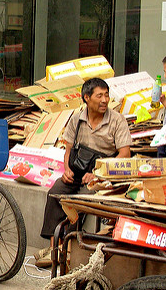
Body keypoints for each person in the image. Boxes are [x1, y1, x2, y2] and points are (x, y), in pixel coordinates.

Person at [35, 77, 132, 267]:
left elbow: (125, 154)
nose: (104, 100)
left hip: (103, 176)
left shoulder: (116, 120)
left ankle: (68, 249)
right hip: (78, 170)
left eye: (106, 95)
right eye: (99, 96)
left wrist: (99, 174)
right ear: (87, 98)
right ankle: (54, 247)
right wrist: (67, 169)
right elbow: (68, 148)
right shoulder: (77, 118)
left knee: (82, 199)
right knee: (55, 192)